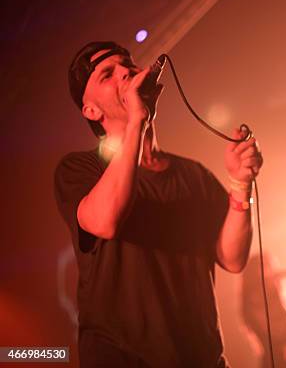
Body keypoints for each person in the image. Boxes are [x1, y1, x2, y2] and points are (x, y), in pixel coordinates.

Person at [54, 42, 263, 367]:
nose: (125, 71)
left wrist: (240, 184)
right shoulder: (79, 170)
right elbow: (105, 220)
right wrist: (137, 119)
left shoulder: (192, 175)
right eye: (107, 74)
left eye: (127, 64)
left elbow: (233, 259)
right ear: (91, 111)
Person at [240, 253, 286, 368]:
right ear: (257, 272)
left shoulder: (280, 294)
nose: (274, 270)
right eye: (268, 266)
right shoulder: (255, 298)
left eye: (273, 266)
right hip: (279, 357)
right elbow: (267, 328)